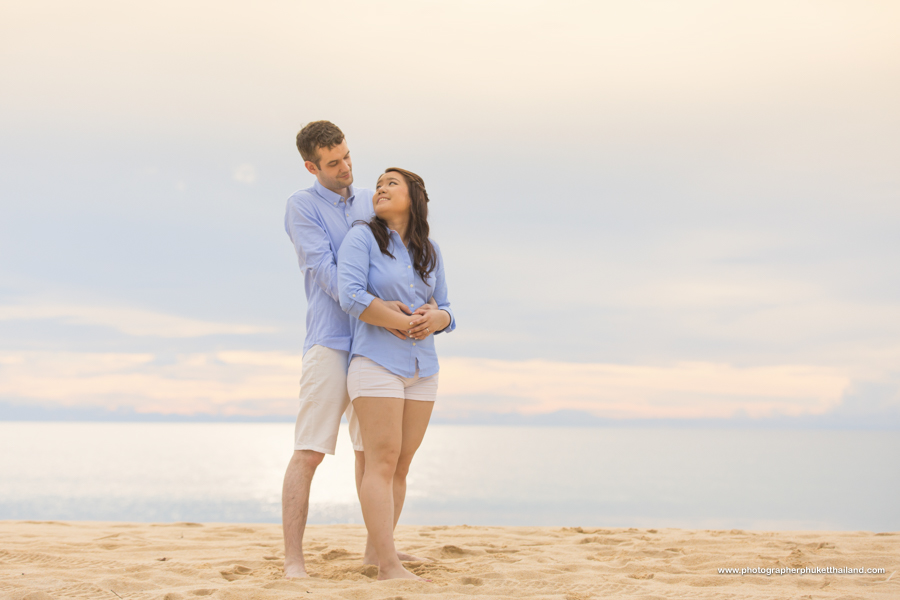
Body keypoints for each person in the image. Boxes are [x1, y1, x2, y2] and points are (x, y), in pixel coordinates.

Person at [282, 122, 430, 578]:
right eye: (333, 163)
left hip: (376, 347)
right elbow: (328, 273)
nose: (345, 167)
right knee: (310, 451)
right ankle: (293, 561)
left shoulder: (370, 199)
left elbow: (403, 254)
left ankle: (377, 552)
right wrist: (381, 309)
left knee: (375, 455)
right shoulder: (302, 206)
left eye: (347, 156)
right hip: (331, 340)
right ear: (312, 167)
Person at [337, 168, 455, 581]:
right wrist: (401, 321)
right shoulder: (362, 237)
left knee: (401, 465)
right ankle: (389, 566)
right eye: (378, 185)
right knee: (382, 461)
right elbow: (350, 294)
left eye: (392, 183)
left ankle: (377, 552)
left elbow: (446, 308)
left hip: (424, 368)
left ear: (414, 197)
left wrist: (438, 318)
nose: (381, 189)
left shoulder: (430, 250)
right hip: (376, 362)